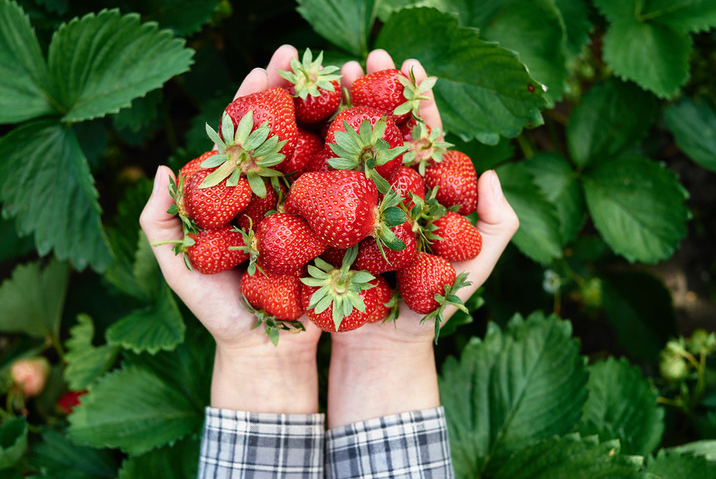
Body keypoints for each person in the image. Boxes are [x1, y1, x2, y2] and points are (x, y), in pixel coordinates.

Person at [139, 44, 519, 479]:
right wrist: (392, 353)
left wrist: (254, 357)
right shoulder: (307, 194)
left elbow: (319, 200)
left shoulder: (340, 203)